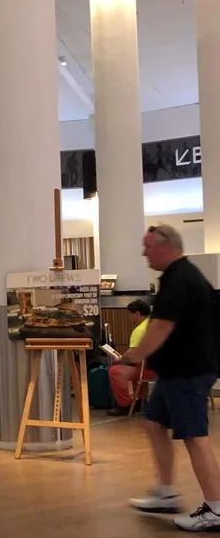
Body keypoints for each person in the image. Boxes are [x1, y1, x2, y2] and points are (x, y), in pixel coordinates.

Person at [122, 225, 220, 531]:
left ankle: (217, 509)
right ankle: (165, 492)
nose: (144, 253)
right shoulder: (178, 276)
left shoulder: (180, 279)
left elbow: (160, 327)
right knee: (154, 423)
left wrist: (133, 358)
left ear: (165, 247)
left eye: (148, 247)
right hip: (174, 372)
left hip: (188, 373)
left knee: (194, 437)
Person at [107, 300, 154, 416]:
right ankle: (139, 400)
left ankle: (125, 405)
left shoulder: (140, 330)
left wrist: (119, 360)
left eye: (129, 315)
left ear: (137, 313)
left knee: (116, 371)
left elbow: (131, 354)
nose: (129, 318)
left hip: (151, 370)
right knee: (135, 366)